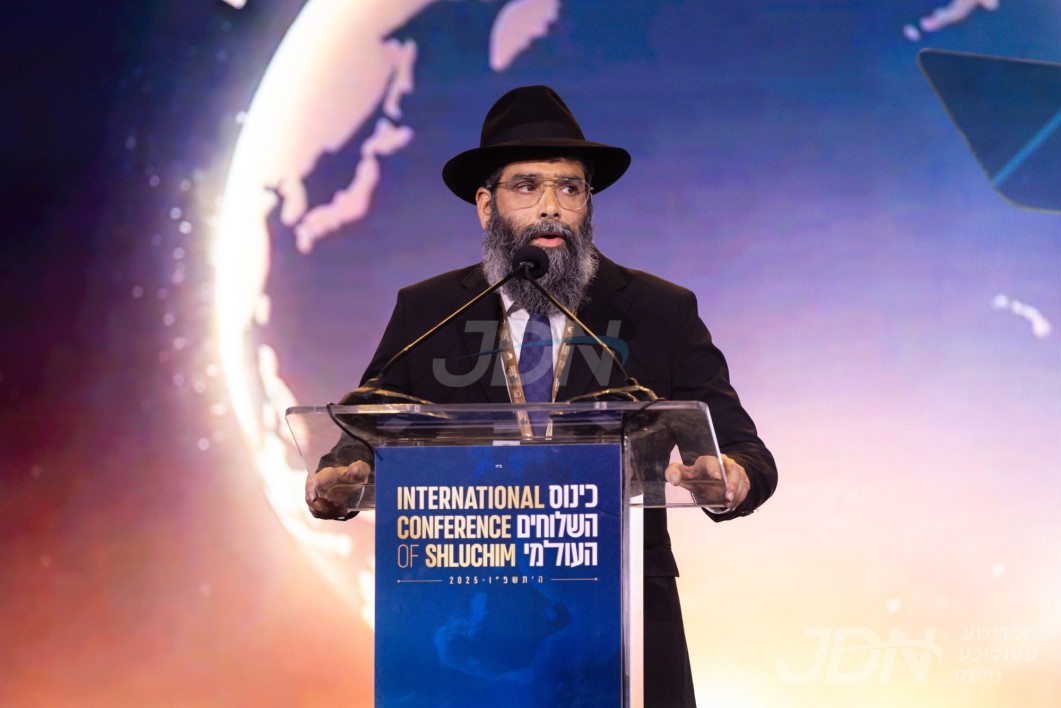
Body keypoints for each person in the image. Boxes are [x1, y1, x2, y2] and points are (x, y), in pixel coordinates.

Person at [305, 85, 777, 707]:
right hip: (468, 615)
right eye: (527, 186)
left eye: (570, 188)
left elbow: (747, 453)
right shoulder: (430, 310)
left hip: (624, 617)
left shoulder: (657, 310)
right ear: (487, 206)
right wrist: (341, 477)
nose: (551, 207)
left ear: (587, 204)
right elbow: (367, 430)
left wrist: (730, 478)